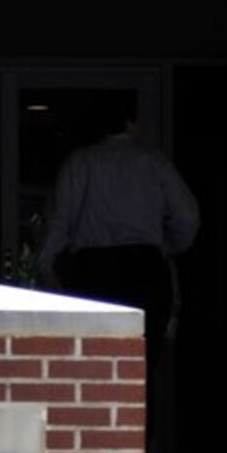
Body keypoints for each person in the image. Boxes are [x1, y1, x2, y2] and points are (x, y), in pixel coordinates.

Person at [37, 117, 198, 334]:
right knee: (143, 355)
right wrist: (164, 248)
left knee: (94, 353)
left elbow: (59, 220)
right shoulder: (153, 161)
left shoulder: (80, 161)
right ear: (131, 123)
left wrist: (47, 268)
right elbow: (187, 217)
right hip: (144, 268)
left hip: (92, 270)